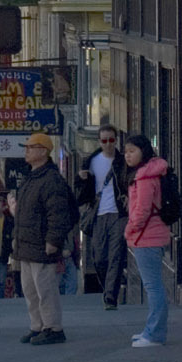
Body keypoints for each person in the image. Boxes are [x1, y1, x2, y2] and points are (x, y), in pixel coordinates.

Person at [11, 132, 77, 345]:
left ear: (43, 151)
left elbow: (58, 214)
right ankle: (37, 326)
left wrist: (53, 241)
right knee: (30, 290)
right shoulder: (32, 177)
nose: (26, 151)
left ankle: (53, 327)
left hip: (42, 245)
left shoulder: (51, 180)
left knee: (45, 290)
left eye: (30, 147)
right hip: (28, 245)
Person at [124, 134, 171, 348]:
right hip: (153, 234)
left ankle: (154, 334)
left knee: (153, 287)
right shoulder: (152, 172)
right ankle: (152, 330)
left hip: (147, 237)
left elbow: (141, 211)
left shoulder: (144, 177)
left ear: (143, 150)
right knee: (154, 286)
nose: (127, 155)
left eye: (132, 151)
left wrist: (129, 230)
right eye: (126, 151)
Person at [76, 124, 128, 309]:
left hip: (118, 214)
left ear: (116, 140)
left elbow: (129, 182)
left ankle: (110, 297)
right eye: (104, 140)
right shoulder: (91, 161)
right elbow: (81, 193)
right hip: (98, 214)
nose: (108, 144)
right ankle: (108, 286)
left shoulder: (122, 161)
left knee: (116, 255)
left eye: (111, 140)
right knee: (99, 258)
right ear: (99, 141)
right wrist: (80, 179)